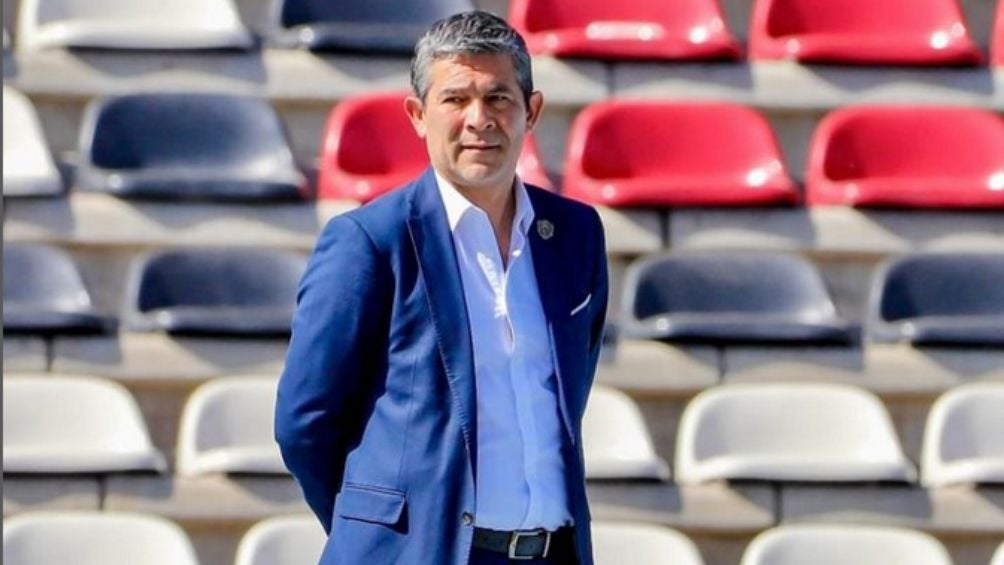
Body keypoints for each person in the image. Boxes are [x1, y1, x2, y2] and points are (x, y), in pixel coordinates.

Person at [275, 10, 608, 565]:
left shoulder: (575, 233)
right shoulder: (368, 241)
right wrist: (379, 526)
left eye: (498, 98)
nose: (479, 119)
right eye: (456, 99)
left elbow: (570, 392)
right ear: (417, 115)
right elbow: (304, 424)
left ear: (532, 111)